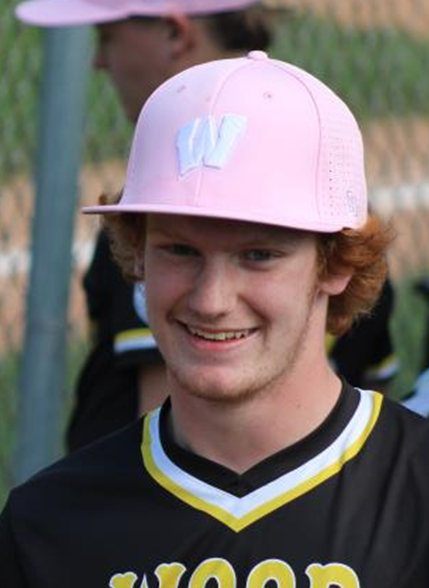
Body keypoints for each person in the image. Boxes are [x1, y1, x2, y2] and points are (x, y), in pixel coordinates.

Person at [1, 53, 429, 588]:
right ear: (136, 254)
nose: (211, 299)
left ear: (336, 264)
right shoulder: (48, 527)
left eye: (259, 254)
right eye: (179, 249)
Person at [16, 0, 398, 453]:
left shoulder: (163, 215)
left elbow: (176, 447)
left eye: (108, 37)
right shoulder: (329, 197)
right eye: (183, 251)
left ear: (175, 33)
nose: (99, 61)